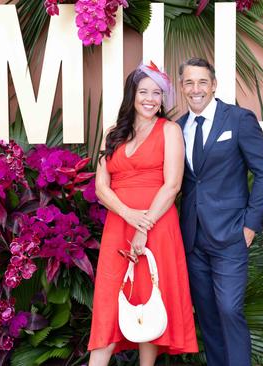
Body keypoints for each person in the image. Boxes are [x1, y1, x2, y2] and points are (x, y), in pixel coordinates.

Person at [88, 62, 198, 366]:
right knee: (108, 305)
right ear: (132, 95)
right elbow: (101, 187)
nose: (150, 98)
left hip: (158, 226)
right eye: (143, 91)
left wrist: (143, 226)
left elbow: (172, 184)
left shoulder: (170, 130)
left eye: (157, 93)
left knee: (150, 299)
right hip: (118, 227)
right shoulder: (113, 133)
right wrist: (129, 215)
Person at [176, 57, 263, 366]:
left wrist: (250, 226)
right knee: (208, 317)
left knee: (230, 310)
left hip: (231, 234)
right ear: (182, 87)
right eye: (189, 82)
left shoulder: (239, 120)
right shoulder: (177, 128)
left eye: (202, 82)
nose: (196, 89)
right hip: (193, 238)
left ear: (214, 85)